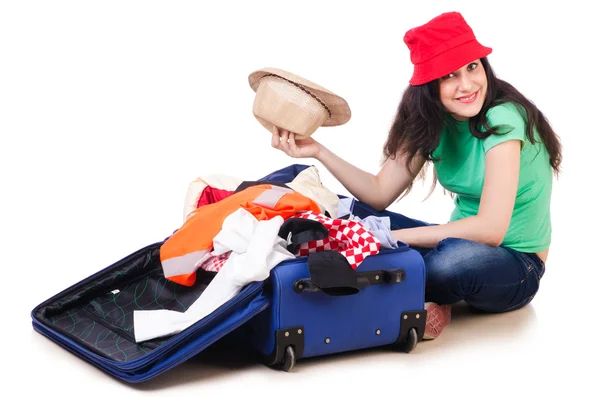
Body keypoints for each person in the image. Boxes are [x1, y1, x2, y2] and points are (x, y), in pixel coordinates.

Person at [269, 11, 562, 340]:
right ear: (429, 84)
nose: (467, 85)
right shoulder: (431, 119)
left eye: (472, 66)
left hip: (514, 265)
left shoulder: (504, 117)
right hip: (453, 243)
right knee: (342, 209)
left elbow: (492, 230)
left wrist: (393, 237)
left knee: (448, 266)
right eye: (449, 75)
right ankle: (415, 285)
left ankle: (425, 287)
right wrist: (318, 151)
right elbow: (379, 193)